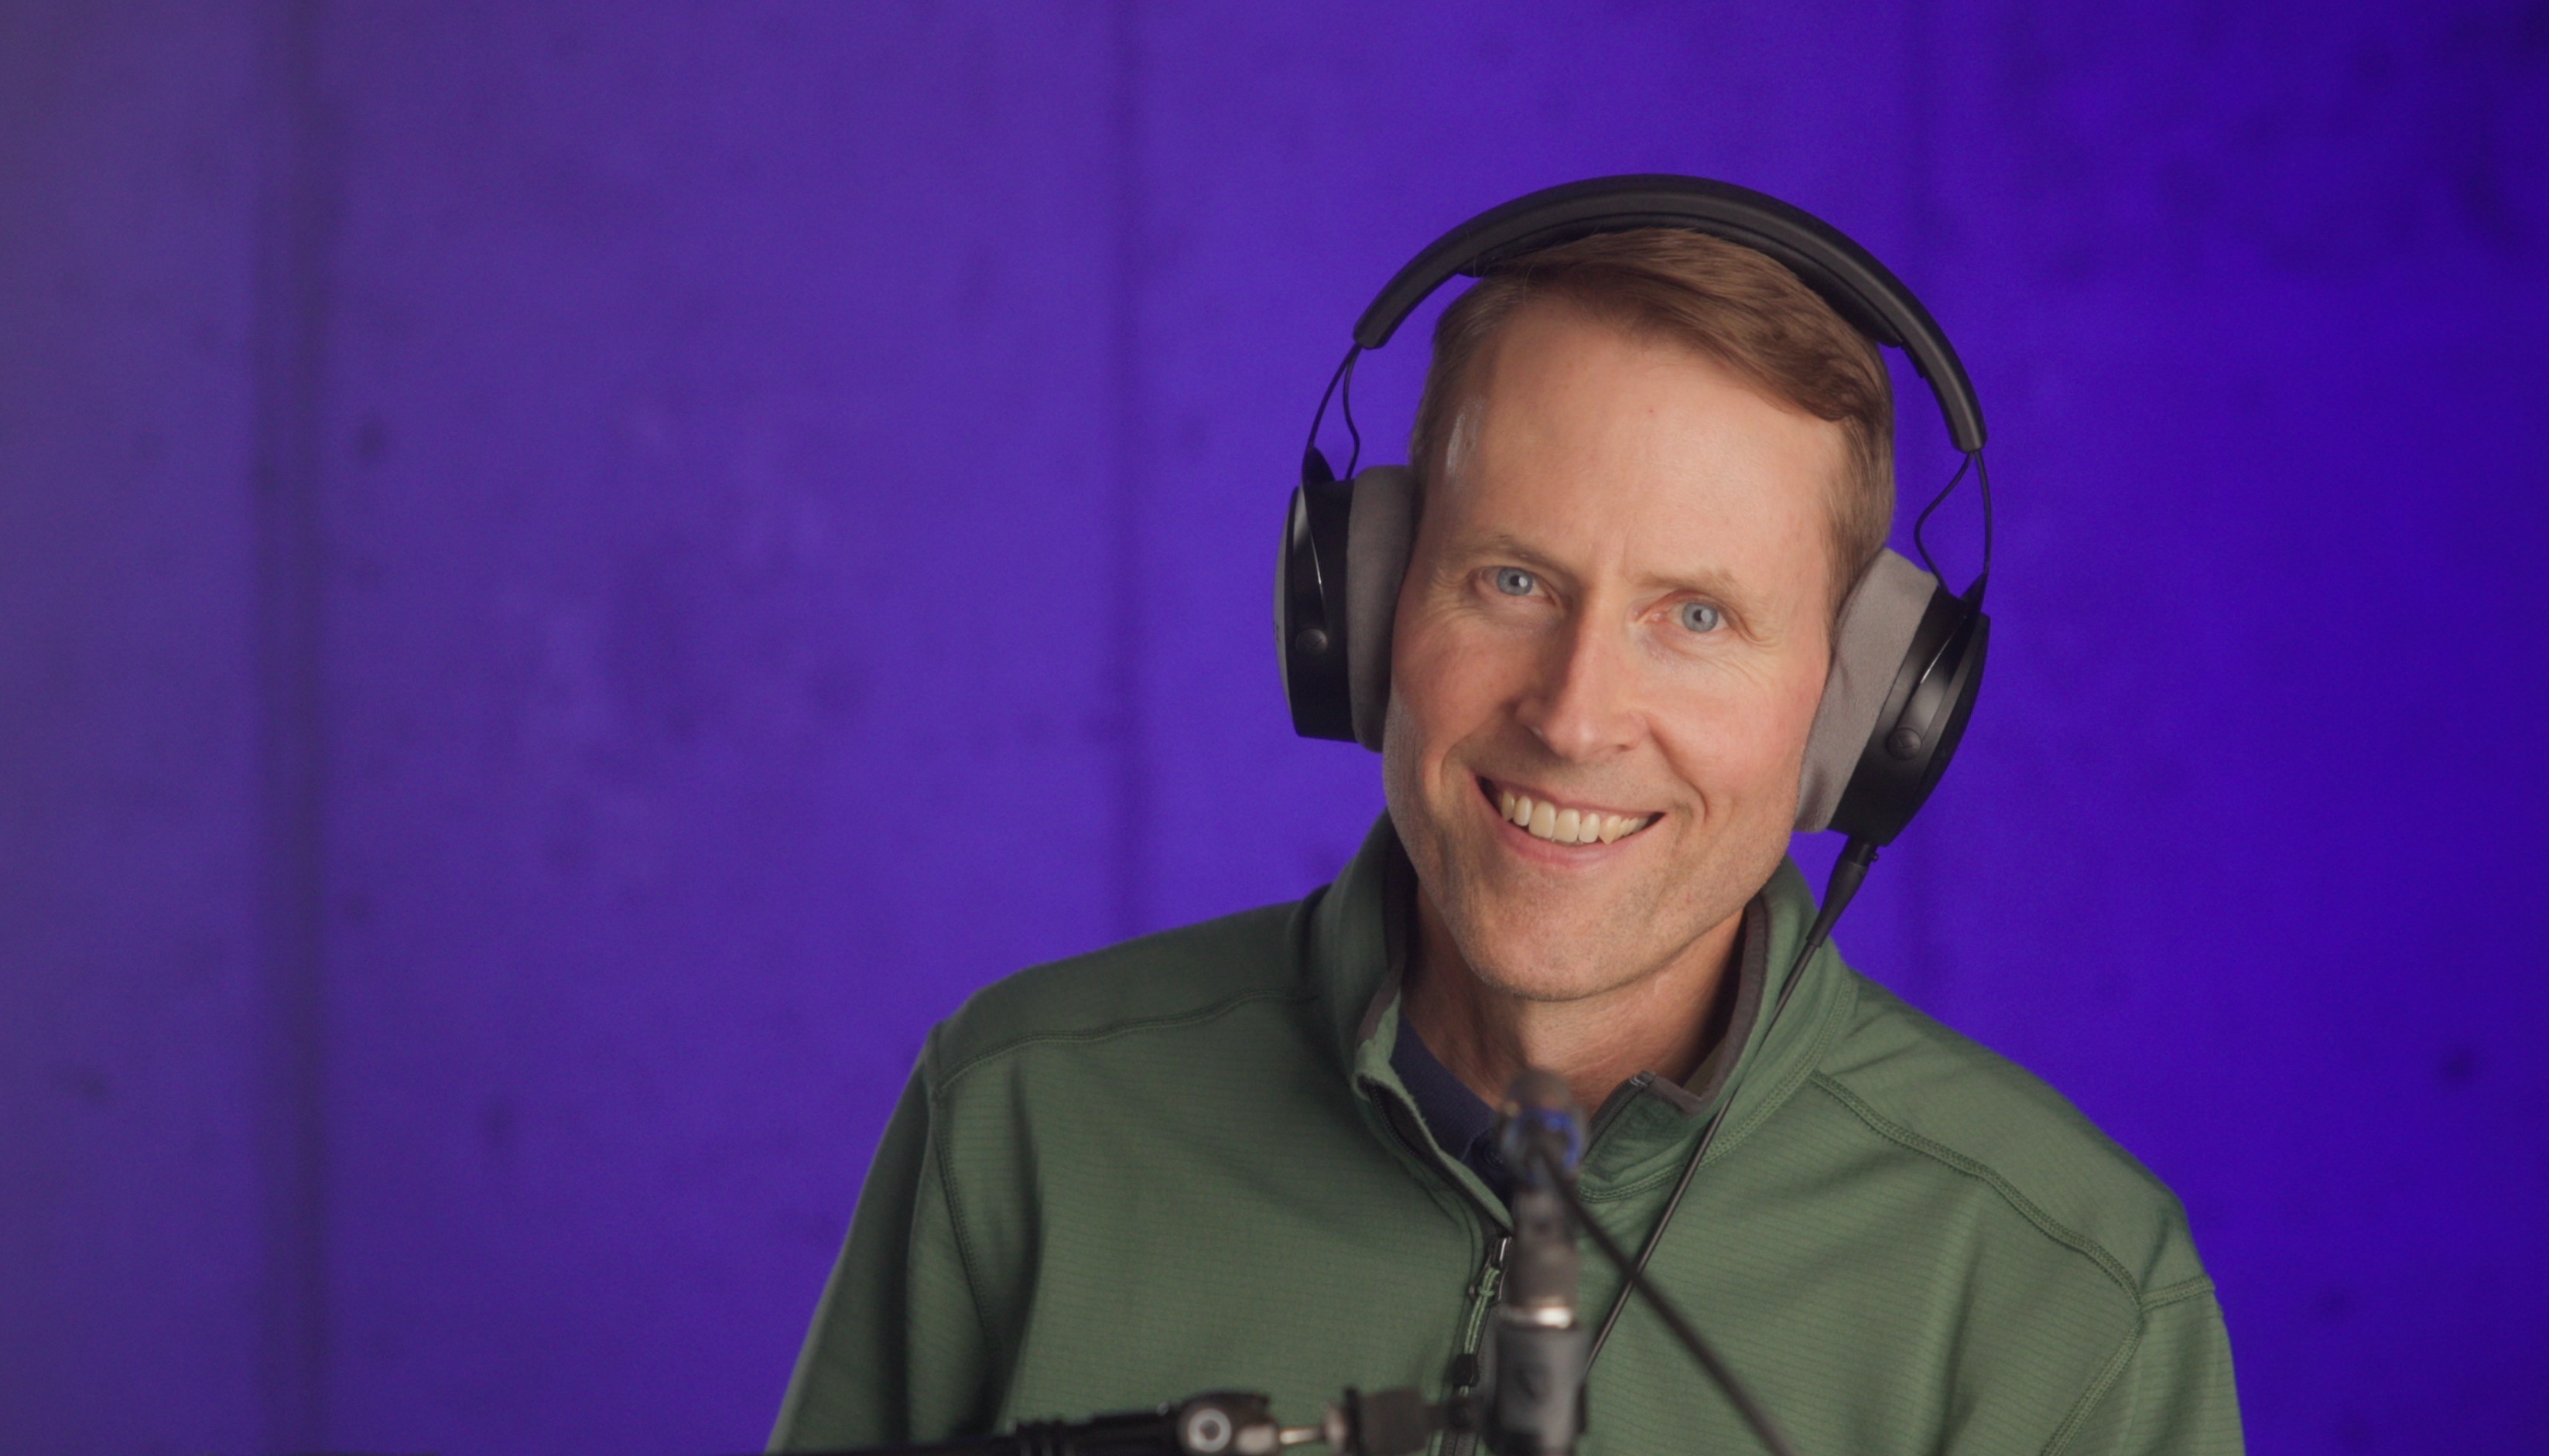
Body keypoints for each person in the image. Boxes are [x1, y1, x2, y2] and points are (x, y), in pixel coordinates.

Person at [770, 214, 2242, 1454]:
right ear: (1371, 609)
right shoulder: (1024, 1121)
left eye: (1700, 617)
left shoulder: (2073, 1305)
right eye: (1514, 581)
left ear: (1855, 713)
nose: (1578, 713)